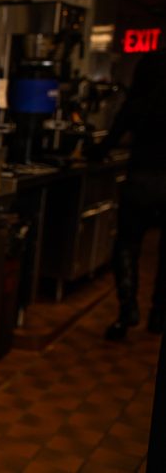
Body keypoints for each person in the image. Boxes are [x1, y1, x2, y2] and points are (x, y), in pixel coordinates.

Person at [92, 52, 166, 340]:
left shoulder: (139, 99)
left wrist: (96, 152)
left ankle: (127, 311)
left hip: (141, 181)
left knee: (127, 245)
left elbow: (113, 135)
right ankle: (158, 315)